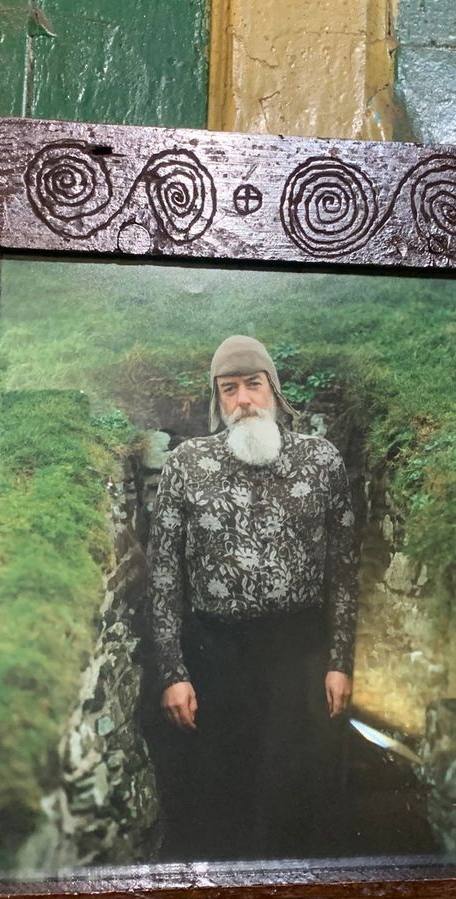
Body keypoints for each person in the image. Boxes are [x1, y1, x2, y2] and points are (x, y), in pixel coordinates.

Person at [147, 335, 359, 860]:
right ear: (217, 399)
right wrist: (173, 672)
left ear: (274, 389)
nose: (243, 399)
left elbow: (344, 570)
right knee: (222, 793)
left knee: (296, 789)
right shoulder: (187, 464)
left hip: (298, 653)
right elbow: (164, 573)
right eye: (229, 389)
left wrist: (340, 661)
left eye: (253, 384)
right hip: (216, 657)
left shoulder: (321, 460)